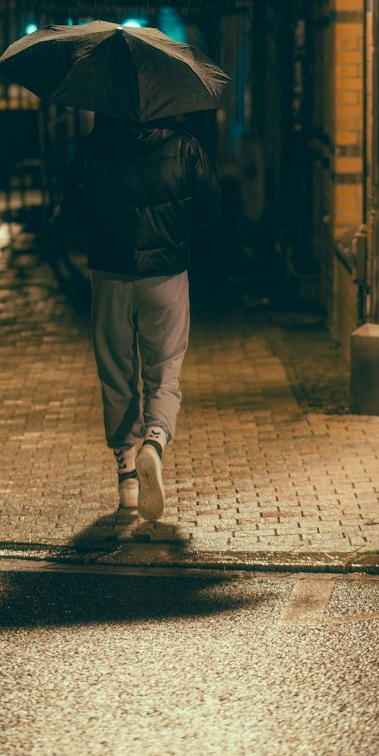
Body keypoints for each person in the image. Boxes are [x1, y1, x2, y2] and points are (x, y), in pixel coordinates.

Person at [61, 112, 221, 521]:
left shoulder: (91, 149)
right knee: (164, 371)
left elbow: (72, 216)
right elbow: (210, 210)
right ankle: (155, 441)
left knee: (116, 371)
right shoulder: (185, 147)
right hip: (167, 272)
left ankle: (127, 475)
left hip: (110, 273)